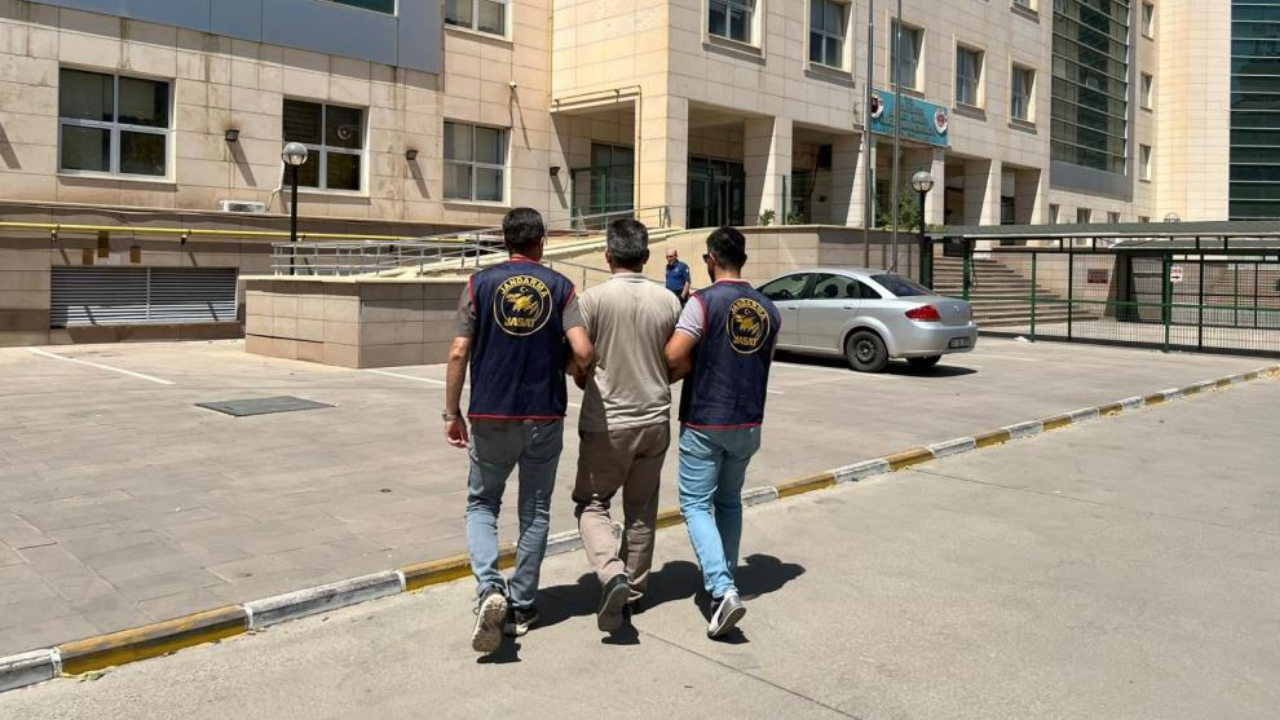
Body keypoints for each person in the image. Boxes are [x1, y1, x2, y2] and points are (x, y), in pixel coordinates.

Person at [444, 207, 594, 655]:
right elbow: (584, 351)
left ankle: (490, 588)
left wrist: (451, 412)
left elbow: (458, 352)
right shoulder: (562, 287)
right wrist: (566, 368)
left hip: (490, 413)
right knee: (535, 510)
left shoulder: (479, 284)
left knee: (482, 503)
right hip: (544, 414)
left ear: (504, 240)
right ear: (541, 241)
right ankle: (523, 605)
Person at [664, 226, 780, 639]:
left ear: (711, 259)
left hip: (706, 418)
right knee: (729, 502)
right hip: (748, 419)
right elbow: (763, 359)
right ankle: (724, 581)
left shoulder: (703, 302)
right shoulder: (769, 308)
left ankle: (722, 589)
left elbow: (673, 355)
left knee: (696, 504)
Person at [572, 218, 682, 633]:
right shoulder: (668, 301)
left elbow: (578, 357)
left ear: (607, 255)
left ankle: (611, 572)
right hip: (654, 417)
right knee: (641, 509)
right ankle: (633, 592)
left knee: (592, 503)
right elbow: (679, 358)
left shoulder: (592, 300)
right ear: (647, 256)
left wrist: (582, 377)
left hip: (607, 421)